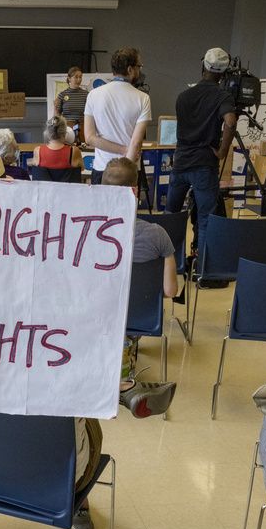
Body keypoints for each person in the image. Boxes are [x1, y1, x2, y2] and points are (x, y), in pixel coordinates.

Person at [102, 157, 179, 418]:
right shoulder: (158, 234)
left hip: (98, 314)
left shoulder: (86, 229)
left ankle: (111, 377)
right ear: (135, 192)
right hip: (139, 315)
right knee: (127, 319)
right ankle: (126, 383)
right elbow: (171, 291)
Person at [166, 47, 237, 266]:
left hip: (180, 163)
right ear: (223, 74)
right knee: (206, 219)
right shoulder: (222, 96)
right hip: (204, 166)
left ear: (203, 66)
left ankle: (171, 266)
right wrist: (223, 150)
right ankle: (203, 268)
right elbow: (231, 121)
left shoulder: (183, 96)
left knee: (172, 215)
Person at [83, 47, 151, 184]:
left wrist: (122, 150)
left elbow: (89, 138)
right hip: (129, 169)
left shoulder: (93, 95)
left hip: (102, 168)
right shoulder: (143, 98)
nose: (140, 70)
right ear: (130, 70)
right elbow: (136, 142)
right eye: (139, 66)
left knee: (99, 206)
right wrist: (126, 153)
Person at [54, 66, 88, 142]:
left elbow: (91, 113)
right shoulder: (62, 95)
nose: (79, 80)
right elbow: (57, 116)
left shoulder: (86, 94)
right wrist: (55, 108)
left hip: (83, 128)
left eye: (80, 77)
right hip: (67, 129)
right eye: (76, 77)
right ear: (69, 78)